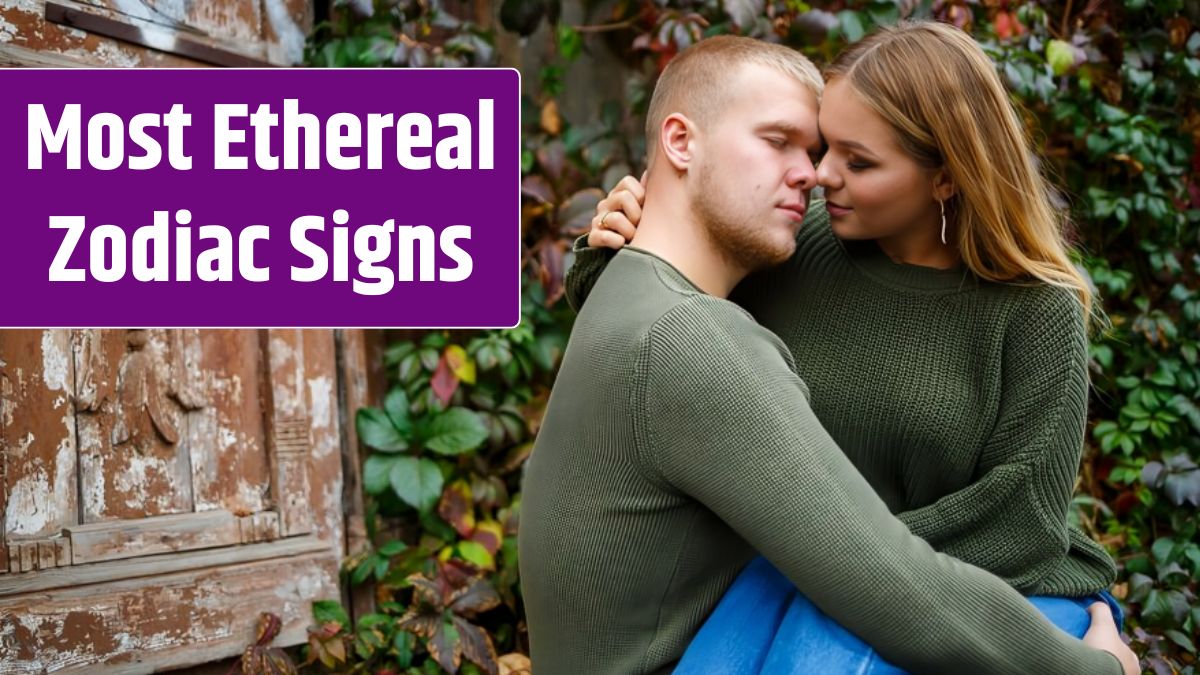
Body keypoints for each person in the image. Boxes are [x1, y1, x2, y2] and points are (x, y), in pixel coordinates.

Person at [518, 34, 1137, 675]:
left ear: (947, 176)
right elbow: (653, 324)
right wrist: (620, 249)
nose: (816, 175)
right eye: (814, 146)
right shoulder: (789, 242)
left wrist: (833, 543)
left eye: (855, 160)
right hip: (818, 589)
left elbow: (1017, 526)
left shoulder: (1035, 310)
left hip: (935, 587)